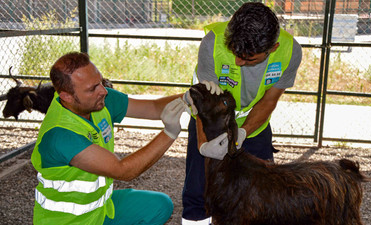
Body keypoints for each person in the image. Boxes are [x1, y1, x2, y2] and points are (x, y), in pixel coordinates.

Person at [30, 52, 187, 225]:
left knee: (159, 206)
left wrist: (191, 98)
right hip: (68, 221)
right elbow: (123, 171)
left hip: (100, 210)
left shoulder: (98, 100)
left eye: (100, 82)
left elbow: (152, 107)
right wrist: (169, 133)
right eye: (92, 88)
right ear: (66, 96)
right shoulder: (60, 135)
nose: (103, 91)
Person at [181, 2, 303, 224]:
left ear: (272, 48)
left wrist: (243, 132)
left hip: (254, 126)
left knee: (264, 193)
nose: (238, 61)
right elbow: (203, 105)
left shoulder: (290, 52)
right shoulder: (212, 43)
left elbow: (269, 101)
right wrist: (202, 146)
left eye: (248, 58)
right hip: (209, 121)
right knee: (199, 190)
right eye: (236, 52)